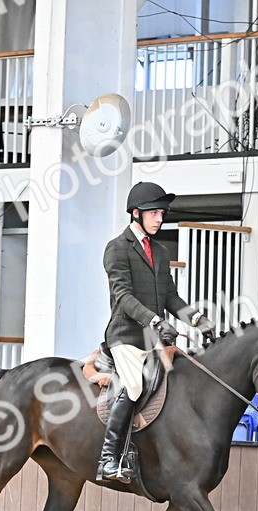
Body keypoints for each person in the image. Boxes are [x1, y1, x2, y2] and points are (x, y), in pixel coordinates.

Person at [97, 181, 216, 484]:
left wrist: (198, 320)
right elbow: (123, 296)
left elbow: (170, 297)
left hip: (153, 338)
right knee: (134, 385)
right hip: (125, 335)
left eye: (162, 214)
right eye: (154, 213)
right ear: (136, 213)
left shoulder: (160, 252)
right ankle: (108, 459)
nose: (160, 219)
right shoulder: (117, 248)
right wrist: (154, 321)